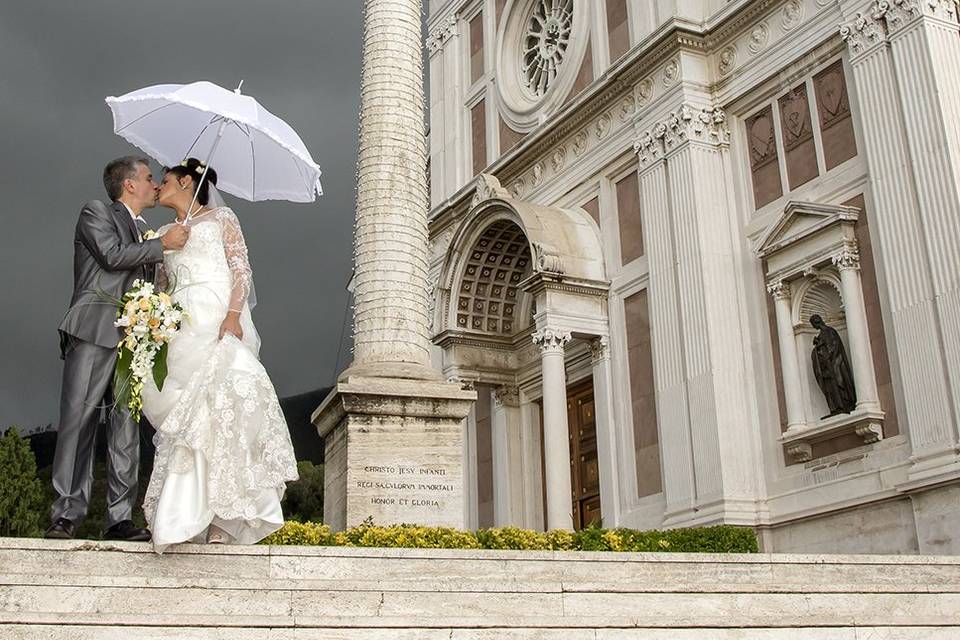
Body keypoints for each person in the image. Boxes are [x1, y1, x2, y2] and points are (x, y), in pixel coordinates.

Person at [140, 157, 298, 552]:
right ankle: (186, 514)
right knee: (188, 421)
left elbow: (241, 270)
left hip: (215, 320)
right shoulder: (162, 232)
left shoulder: (222, 218)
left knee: (221, 412)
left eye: (166, 179)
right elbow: (161, 285)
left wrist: (232, 316)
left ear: (188, 182)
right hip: (179, 328)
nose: (159, 186)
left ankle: (224, 519)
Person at [47, 156, 190, 541]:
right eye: (148, 178)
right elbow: (111, 257)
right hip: (94, 331)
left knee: (126, 428)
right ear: (128, 184)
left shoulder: (146, 229)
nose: (154, 184)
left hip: (134, 342)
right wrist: (161, 245)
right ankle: (66, 513)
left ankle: (119, 518)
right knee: (78, 423)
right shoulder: (96, 212)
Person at [810, 314, 857, 417]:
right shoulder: (821, 334)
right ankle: (836, 407)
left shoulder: (829, 331)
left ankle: (844, 404)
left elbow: (834, 346)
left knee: (839, 384)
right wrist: (817, 346)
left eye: (813, 324)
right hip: (827, 367)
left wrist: (827, 356)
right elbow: (823, 349)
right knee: (830, 388)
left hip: (834, 365)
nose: (813, 326)